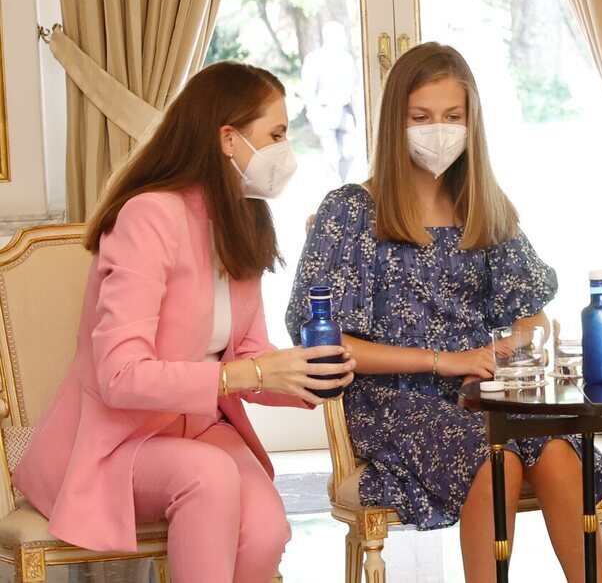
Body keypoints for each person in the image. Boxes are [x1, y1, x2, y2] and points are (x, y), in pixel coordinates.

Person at [286, 42, 602, 582]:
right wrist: (447, 360)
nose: (437, 130)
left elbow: (529, 313)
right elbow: (328, 345)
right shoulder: (349, 210)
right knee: (498, 460)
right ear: (395, 121)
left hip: (479, 392)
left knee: (562, 453)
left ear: (472, 123)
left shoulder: (486, 208)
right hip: (390, 401)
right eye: (421, 117)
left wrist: (512, 349)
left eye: (452, 116)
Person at [13, 62, 356, 583]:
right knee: (210, 476)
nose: (287, 150)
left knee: (266, 532)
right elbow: (120, 374)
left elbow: (248, 356)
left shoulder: (241, 220)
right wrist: (251, 376)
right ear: (228, 139)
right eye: (277, 134)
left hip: (196, 432)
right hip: (115, 444)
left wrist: (306, 378)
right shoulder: (149, 216)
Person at [301, 20, 357, 183]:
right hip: (324, 113)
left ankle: (343, 182)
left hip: (345, 113)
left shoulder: (346, 58)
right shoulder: (314, 59)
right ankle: (334, 189)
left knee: (349, 153)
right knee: (331, 156)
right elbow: (308, 90)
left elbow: (352, 87)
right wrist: (314, 114)